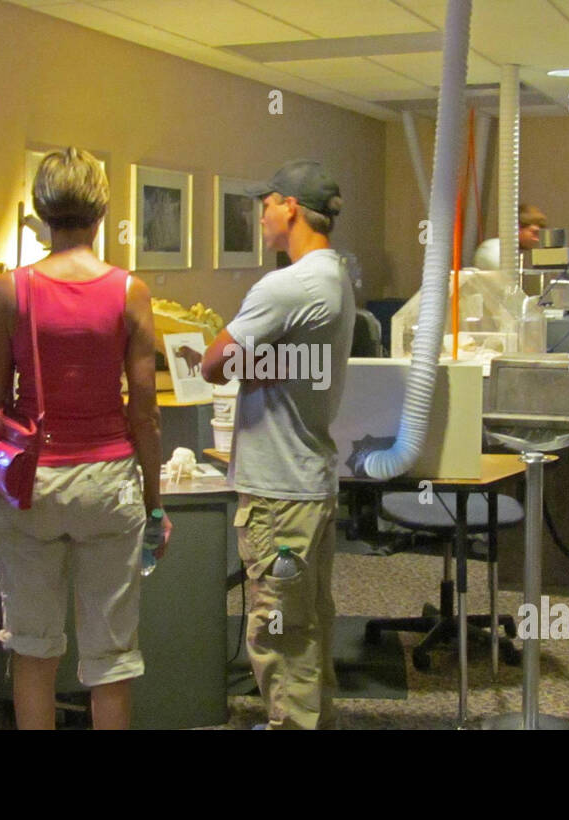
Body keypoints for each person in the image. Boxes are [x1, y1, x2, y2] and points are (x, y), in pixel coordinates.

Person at [0, 148, 169, 730]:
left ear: (41, 210)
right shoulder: (128, 291)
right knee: (110, 658)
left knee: (34, 647)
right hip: (108, 479)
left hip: (32, 482)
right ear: (101, 210)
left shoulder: (10, 291)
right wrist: (155, 501)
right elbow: (145, 412)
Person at [202, 159, 355, 730]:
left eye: (265, 203)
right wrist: (283, 361)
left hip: (279, 492)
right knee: (307, 628)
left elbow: (216, 364)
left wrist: (259, 364)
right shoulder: (334, 276)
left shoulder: (286, 285)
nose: (261, 215)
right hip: (308, 482)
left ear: (289, 205)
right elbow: (308, 365)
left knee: (280, 637)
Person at [473, 202, 549, 270]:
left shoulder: (503, 252)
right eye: (534, 232)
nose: (536, 239)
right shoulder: (494, 251)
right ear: (517, 228)